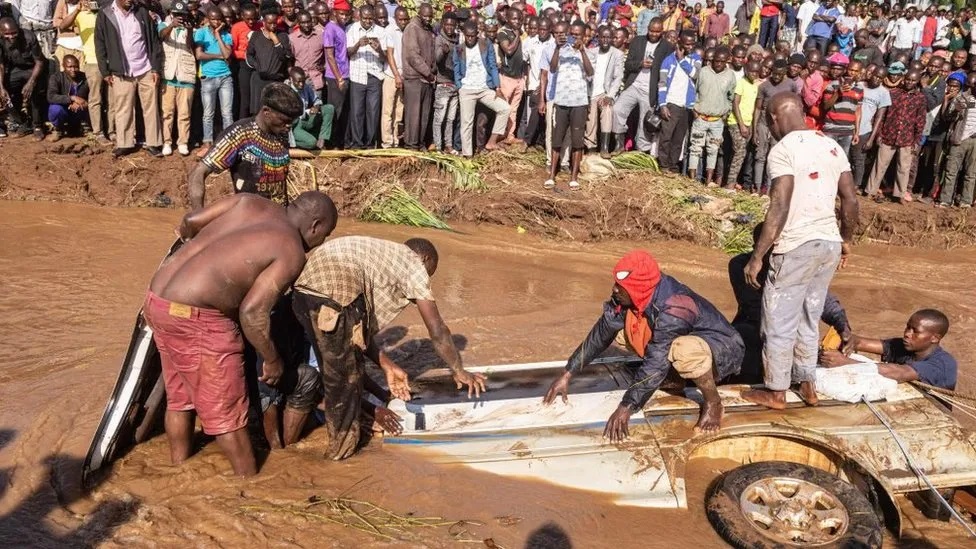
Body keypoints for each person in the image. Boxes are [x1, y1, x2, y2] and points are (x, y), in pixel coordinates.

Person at [144, 190, 338, 476]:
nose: (321, 242)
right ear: (315, 226)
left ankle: (179, 471)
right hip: (199, 319)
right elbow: (252, 313)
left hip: (157, 301)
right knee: (229, 417)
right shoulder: (291, 250)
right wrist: (271, 359)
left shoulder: (249, 202)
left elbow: (190, 220)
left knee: (181, 398)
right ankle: (248, 485)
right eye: (325, 235)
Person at [292, 236, 488, 460]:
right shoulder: (414, 265)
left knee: (342, 368)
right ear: (424, 259)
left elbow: (357, 338)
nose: (419, 295)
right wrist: (460, 371)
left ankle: (301, 450)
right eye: (429, 273)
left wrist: (387, 369)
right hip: (334, 294)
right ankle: (340, 458)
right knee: (345, 384)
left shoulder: (382, 256)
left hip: (304, 291)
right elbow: (438, 330)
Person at [543, 250, 744, 438]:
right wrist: (568, 373)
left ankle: (713, 401)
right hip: (682, 340)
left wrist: (626, 407)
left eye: (620, 286)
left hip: (722, 349)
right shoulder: (628, 297)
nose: (614, 289)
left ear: (637, 289)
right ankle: (675, 380)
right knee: (623, 332)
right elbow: (600, 333)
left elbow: (656, 360)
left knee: (681, 350)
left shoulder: (676, 307)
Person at [741, 93, 858, 411]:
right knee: (810, 316)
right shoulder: (831, 145)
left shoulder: (783, 150)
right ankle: (807, 385)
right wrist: (845, 240)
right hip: (828, 245)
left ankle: (776, 392)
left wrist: (757, 256)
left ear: (773, 117)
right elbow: (850, 201)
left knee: (779, 318)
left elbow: (780, 202)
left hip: (796, 245)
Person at [729, 222, 852, 383]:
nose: (776, 255)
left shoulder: (793, 264)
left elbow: (819, 298)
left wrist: (843, 325)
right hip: (755, 326)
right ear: (757, 249)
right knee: (744, 338)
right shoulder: (741, 266)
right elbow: (756, 310)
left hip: (788, 330)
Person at [188, 82, 303, 210]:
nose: (289, 126)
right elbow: (198, 172)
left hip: (280, 218)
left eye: (292, 122)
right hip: (250, 220)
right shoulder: (239, 134)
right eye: (285, 121)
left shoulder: (281, 133)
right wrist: (198, 215)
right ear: (266, 112)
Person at [820, 310, 957, 391]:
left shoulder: (943, 363)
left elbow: (898, 372)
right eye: (908, 327)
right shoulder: (902, 345)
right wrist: (844, 338)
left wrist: (845, 362)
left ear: (934, 338)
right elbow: (861, 342)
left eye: (915, 331)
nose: (907, 334)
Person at [94, 0, 164, 157]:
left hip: (145, 69)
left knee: (151, 108)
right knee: (123, 108)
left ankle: (153, 143)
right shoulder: (105, 14)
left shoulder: (142, 12)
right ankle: (125, 143)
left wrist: (155, 68)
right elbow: (99, 44)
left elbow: (153, 41)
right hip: (121, 71)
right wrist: (105, 72)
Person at [865, 67, 927, 204]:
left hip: (907, 138)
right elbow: (882, 115)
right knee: (880, 165)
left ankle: (900, 194)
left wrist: (916, 140)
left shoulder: (920, 98)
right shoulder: (893, 93)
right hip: (888, 134)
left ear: (917, 81)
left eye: (913, 80)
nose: (909, 82)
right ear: (903, 79)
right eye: (908, 79)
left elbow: (920, 120)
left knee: (904, 168)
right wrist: (879, 134)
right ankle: (870, 190)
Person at [611, 17, 672, 155]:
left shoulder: (667, 47)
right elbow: (628, 65)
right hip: (633, 85)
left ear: (662, 31)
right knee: (617, 109)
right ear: (647, 29)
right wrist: (640, 64)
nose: (654, 34)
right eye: (651, 31)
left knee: (644, 123)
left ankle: (641, 153)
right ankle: (619, 144)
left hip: (650, 90)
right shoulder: (637, 41)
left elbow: (667, 73)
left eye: (657, 31)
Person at [543, 21, 591, 190]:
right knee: (557, 138)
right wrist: (557, 48)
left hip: (579, 102)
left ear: (583, 36)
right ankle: (551, 175)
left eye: (578, 34)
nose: (575, 37)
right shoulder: (561, 50)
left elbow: (590, 72)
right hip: (562, 101)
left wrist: (582, 51)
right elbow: (553, 68)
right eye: (573, 33)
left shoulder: (588, 52)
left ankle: (573, 178)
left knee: (577, 141)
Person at [56, 0, 109, 144]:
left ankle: (113, 131)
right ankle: (98, 132)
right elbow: (62, 26)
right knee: (95, 99)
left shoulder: (108, 11)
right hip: (93, 61)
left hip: (112, 61)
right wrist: (77, 10)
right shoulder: (81, 14)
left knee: (113, 100)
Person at [454, 19, 509, 157]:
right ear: (464, 34)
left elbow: (492, 66)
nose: (470, 38)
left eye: (473, 35)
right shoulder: (459, 49)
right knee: (467, 123)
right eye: (468, 36)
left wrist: (497, 87)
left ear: (477, 34)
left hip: (484, 89)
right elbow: (456, 68)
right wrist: (459, 86)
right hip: (467, 90)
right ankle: (467, 154)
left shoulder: (486, 45)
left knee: (505, 108)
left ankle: (491, 142)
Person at [688, 45, 735, 183]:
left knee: (713, 149)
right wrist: (694, 110)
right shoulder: (703, 72)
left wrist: (725, 114)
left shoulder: (730, 76)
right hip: (700, 117)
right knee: (695, 148)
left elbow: (730, 97)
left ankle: (708, 181)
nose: (719, 64)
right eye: (716, 61)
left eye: (722, 61)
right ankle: (691, 180)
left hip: (717, 121)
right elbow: (693, 91)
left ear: (726, 61)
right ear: (712, 60)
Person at [656, 30, 700, 172]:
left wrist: (682, 60)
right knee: (666, 137)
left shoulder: (696, 58)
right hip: (671, 103)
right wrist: (662, 104)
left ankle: (673, 166)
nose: (690, 47)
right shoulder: (668, 61)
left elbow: (695, 75)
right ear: (679, 42)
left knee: (678, 139)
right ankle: (663, 165)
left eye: (692, 44)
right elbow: (662, 83)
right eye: (687, 44)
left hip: (686, 106)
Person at [195, 7, 234, 158]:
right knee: (208, 113)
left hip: (225, 77)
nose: (216, 21)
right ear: (208, 19)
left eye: (219, 19)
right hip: (208, 77)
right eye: (213, 19)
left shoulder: (226, 35)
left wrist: (218, 35)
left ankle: (229, 143)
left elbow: (228, 54)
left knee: (227, 113)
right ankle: (207, 142)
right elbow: (199, 55)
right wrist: (218, 56)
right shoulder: (201, 33)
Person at [158, 2, 196, 157]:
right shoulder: (164, 24)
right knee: (167, 112)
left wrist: (189, 30)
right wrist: (172, 26)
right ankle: (167, 142)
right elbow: (161, 36)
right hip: (168, 75)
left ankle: (183, 142)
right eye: (177, 14)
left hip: (186, 76)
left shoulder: (192, 27)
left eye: (182, 14)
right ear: (171, 13)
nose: (180, 17)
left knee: (184, 113)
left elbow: (190, 46)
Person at [345, 5, 385, 149]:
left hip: (374, 76)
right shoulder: (351, 29)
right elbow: (348, 53)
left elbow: (386, 57)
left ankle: (370, 144)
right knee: (357, 112)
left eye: (370, 18)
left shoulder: (380, 31)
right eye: (365, 18)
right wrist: (358, 45)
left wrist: (379, 49)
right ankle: (357, 143)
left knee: (373, 112)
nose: (368, 21)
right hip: (357, 75)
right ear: (360, 17)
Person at [0, 16, 47, 140]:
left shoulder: (29, 37)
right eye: (7, 34)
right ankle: (22, 122)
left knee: (34, 90)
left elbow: (39, 62)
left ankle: (37, 126)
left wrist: (31, 82)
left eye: (14, 32)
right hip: (15, 70)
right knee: (5, 95)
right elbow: (1, 65)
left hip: (33, 68)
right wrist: (1, 87)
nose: (11, 36)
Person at [937, 71, 976, 208]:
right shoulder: (961, 98)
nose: (971, 87)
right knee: (951, 171)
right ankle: (945, 200)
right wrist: (955, 111)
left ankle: (966, 201)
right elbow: (947, 117)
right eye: (969, 85)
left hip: (974, 141)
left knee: (971, 173)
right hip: (959, 139)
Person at [584, 25, 623, 158]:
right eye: (603, 37)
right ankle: (591, 147)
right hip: (591, 92)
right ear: (598, 38)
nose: (605, 40)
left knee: (607, 109)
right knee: (591, 118)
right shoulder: (591, 52)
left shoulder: (617, 54)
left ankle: (604, 147)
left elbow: (618, 77)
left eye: (608, 37)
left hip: (604, 92)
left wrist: (610, 95)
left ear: (612, 38)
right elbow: (587, 75)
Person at [401, 3, 436, 150]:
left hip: (427, 79)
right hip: (415, 77)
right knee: (413, 115)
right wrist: (428, 72)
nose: (427, 18)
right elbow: (412, 56)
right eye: (425, 16)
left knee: (424, 114)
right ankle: (411, 145)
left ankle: (420, 143)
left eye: (430, 16)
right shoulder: (412, 28)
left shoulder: (428, 30)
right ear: (419, 14)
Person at [850, 63, 889, 191]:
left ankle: (856, 185)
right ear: (870, 74)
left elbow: (879, 117)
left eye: (880, 78)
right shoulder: (859, 85)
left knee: (859, 159)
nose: (877, 79)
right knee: (846, 157)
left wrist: (871, 138)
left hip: (865, 129)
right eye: (876, 76)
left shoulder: (883, 93)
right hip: (848, 126)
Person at [246, 12, 291, 119]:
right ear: (263, 22)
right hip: (259, 80)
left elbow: (284, 57)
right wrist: (258, 66)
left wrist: (276, 41)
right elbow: (249, 55)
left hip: (276, 79)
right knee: (258, 112)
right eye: (269, 23)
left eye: (275, 23)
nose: (273, 26)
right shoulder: (256, 36)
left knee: (274, 111)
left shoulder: (283, 36)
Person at [724, 60, 760, 190]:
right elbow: (735, 104)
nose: (754, 74)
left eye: (756, 72)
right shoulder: (741, 83)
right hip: (736, 122)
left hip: (748, 123)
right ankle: (730, 184)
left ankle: (732, 181)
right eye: (751, 71)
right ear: (746, 70)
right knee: (739, 152)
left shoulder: (755, 86)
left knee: (740, 154)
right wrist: (742, 125)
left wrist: (749, 125)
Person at [821, 56, 863, 155]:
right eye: (851, 70)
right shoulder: (833, 85)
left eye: (856, 71)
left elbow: (858, 111)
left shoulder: (859, 89)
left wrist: (856, 132)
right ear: (846, 69)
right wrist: (837, 93)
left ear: (860, 72)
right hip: (831, 129)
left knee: (842, 161)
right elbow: (825, 106)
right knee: (827, 159)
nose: (852, 73)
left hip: (847, 131)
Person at [496, 6, 525, 143]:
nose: (517, 21)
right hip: (507, 76)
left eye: (519, 19)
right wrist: (518, 36)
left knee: (514, 109)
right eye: (514, 18)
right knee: (504, 108)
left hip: (519, 77)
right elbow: (508, 50)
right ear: (507, 18)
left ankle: (510, 135)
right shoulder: (503, 33)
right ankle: (499, 135)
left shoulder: (519, 32)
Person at [286, 66, 334, 149]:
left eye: (303, 81)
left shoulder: (306, 87)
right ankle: (292, 142)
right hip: (295, 125)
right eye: (298, 82)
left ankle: (322, 138)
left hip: (306, 119)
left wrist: (316, 107)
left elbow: (317, 100)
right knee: (311, 143)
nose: (301, 84)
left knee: (329, 108)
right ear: (291, 79)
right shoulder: (285, 91)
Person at [432, 12, 459, 152]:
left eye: (452, 25)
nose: (449, 27)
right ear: (443, 24)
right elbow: (436, 59)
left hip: (455, 85)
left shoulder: (457, 39)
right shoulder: (439, 40)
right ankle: (437, 147)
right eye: (447, 24)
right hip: (443, 84)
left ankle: (448, 145)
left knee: (450, 119)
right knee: (439, 119)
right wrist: (443, 51)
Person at [321, 7, 349, 147]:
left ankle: (339, 141)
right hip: (335, 77)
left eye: (346, 14)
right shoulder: (330, 29)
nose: (344, 17)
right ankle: (331, 143)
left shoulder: (342, 27)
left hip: (345, 74)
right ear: (334, 14)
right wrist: (339, 78)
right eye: (342, 14)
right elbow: (330, 56)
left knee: (343, 111)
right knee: (335, 111)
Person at [381, 6, 408, 148]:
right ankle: (387, 142)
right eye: (400, 19)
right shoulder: (390, 31)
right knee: (387, 111)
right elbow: (389, 55)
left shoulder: (407, 32)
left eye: (405, 19)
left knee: (399, 111)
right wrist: (397, 75)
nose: (403, 22)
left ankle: (396, 140)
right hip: (392, 75)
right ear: (396, 18)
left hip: (404, 75)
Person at [46, 53, 88, 140]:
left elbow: (93, 95)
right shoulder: (56, 77)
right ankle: (57, 130)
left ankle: (81, 127)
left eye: (76, 66)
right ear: (64, 66)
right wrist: (72, 98)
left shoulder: (85, 78)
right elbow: (51, 96)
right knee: (55, 109)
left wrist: (84, 103)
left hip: (80, 110)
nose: (73, 69)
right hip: (64, 109)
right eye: (70, 67)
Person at [231, 4, 261, 119]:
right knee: (245, 98)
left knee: (257, 97)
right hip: (243, 64)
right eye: (248, 18)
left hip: (257, 65)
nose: (251, 21)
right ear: (242, 16)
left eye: (253, 18)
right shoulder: (237, 27)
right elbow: (233, 50)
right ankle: (242, 124)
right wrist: (246, 55)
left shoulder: (261, 26)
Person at [290, 11, 325, 100]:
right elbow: (289, 59)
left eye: (308, 22)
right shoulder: (292, 38)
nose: (306, 25)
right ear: (298, 23)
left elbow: (328, 54)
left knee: (317, 108)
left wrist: (324, 67)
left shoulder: (320, 35)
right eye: (303, 23)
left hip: (316, 79)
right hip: (299, 80)